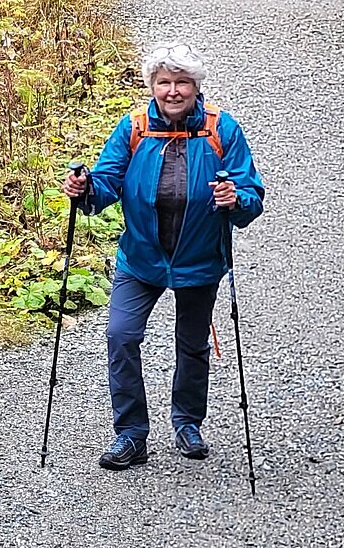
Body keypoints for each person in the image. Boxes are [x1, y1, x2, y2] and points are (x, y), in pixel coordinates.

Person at [63, 41, 264, 471]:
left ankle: (188, 424)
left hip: (199, 260)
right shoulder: (134, 128)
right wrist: (85, 190)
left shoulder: (221, 129)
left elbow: (252, 196)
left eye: (182, 82)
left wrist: (235, 198)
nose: (173, 91)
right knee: (121, 335)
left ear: (196, 86)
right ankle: (131, 434)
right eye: (164, 82)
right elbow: (106, 183)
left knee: (192, 346)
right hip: (141, 259)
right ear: (152, 86)